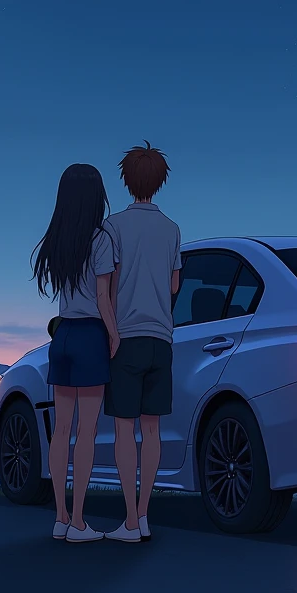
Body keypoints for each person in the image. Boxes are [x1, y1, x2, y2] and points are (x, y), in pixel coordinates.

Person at [31, 163, 119, 543]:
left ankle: (60, 517)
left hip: (62, 334)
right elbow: (103, 298)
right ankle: (79, 521)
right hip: (88, 337)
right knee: (85, 433)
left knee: (60, 430)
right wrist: (114, 336)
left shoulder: (58, 239)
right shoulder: (101, 239)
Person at [102, 141, 182, 543]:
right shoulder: (172, 229)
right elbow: (174, 284)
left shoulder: (114, 226)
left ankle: (129, 519)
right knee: (152, 431)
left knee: (123, 431)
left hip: (125, 338)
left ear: (127, 180)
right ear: (158, 182)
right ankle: (144, 515)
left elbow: (110, 282)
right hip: (161, 339)